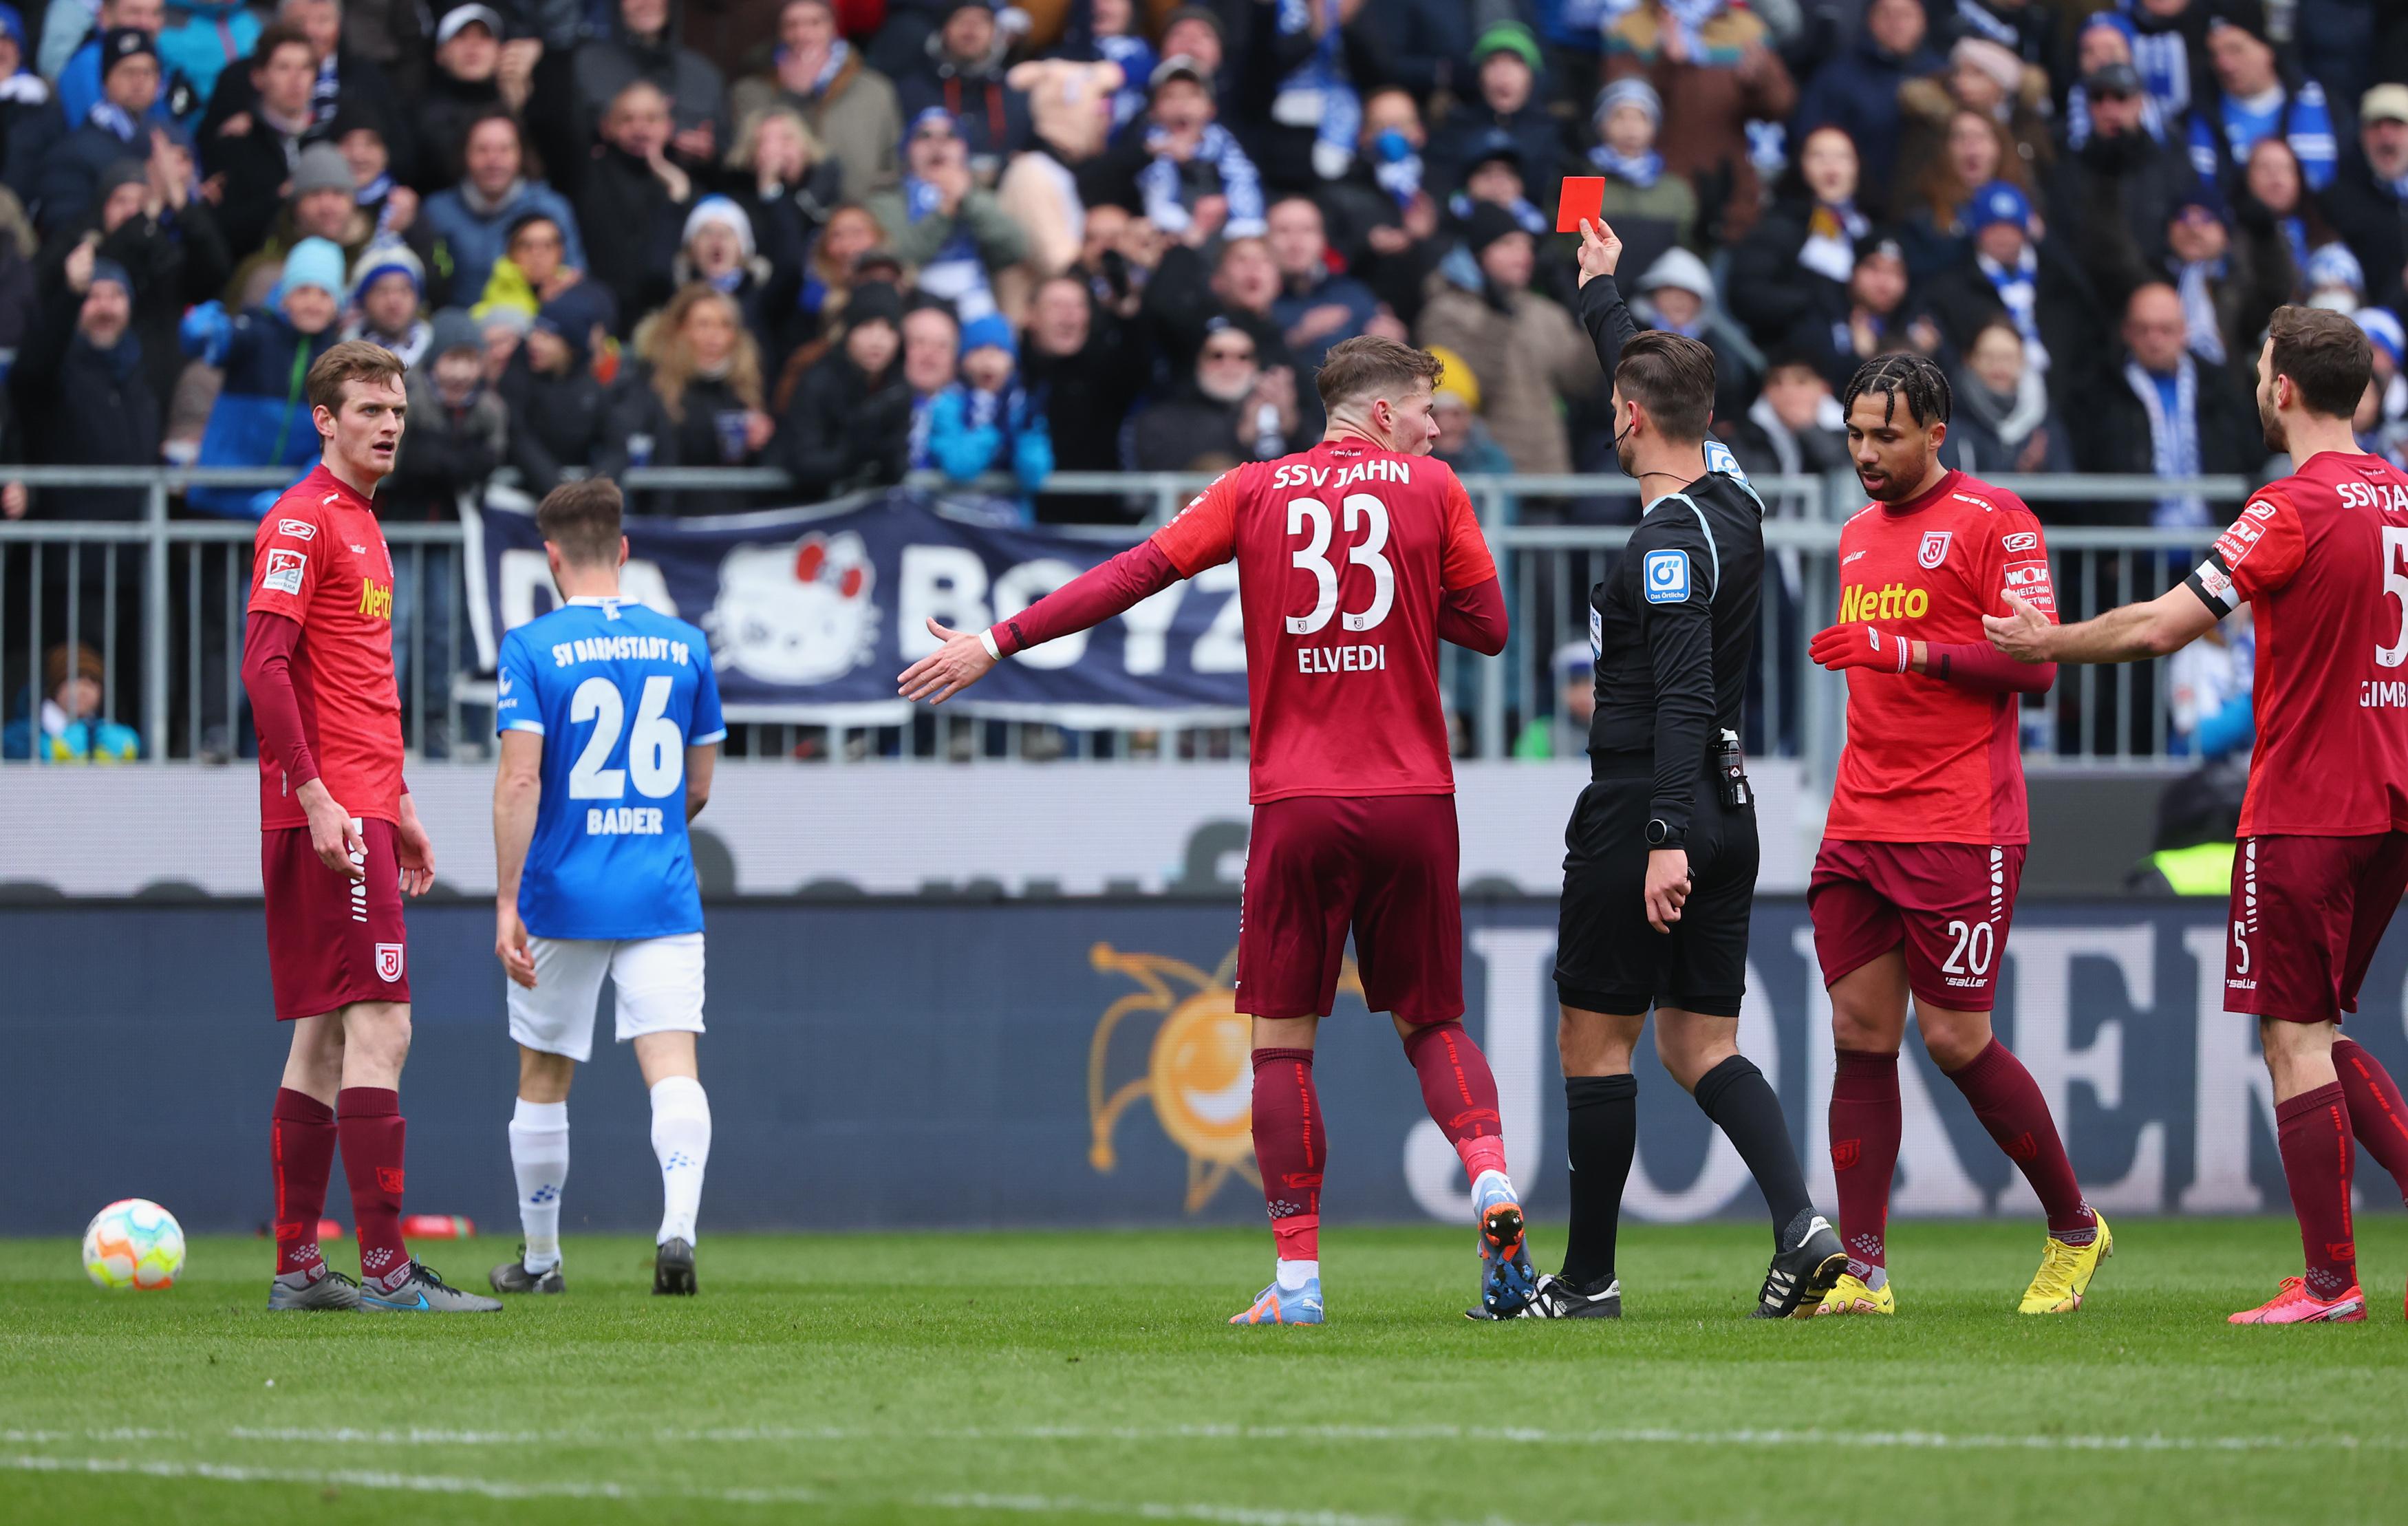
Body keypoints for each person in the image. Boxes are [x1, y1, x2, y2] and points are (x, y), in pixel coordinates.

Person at [896, 334, 1528, 1324]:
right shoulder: (1436, 490)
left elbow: (1133, 574)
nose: (1435, 427)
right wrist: (1399, 607)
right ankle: (1490, 1177)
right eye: (1422, 409)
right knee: (1434, 1022)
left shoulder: (1251, 490)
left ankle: (1298, 1283)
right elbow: (1490, 627)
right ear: (1376, 414)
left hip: (1298, 803)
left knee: (1282, 1048)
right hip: (1414, 799)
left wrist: (999, 639)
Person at [1984, 305, 2408, 1325]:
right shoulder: (2401, 495)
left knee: (2292, 1038)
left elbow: (2159, 628)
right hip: (2391, 797)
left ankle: (2329, 1284)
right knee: (2323, 1028)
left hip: (2308, 803)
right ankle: (2332, 1275)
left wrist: (2048, 642)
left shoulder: (2288, 505)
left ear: (2285, 390)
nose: (2257, 386)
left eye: (2262, 371)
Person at [1531, 216, 1834, 1323]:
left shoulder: (1665, 538)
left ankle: (1590, 1279)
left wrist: (1660, 831)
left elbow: (1682, 691)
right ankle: (1801, 1224)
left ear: (1625, 418)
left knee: (1593, 1036)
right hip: (1731, 799)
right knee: (1699, 1041)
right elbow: (1661, 385)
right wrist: (1603, 292)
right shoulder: (1737, 491)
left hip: (1648, 800)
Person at [1803, 350, 2104, 1319]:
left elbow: (2038, 667)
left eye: (1884, 436)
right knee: (1859, 1031)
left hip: (1960, 823)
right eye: (1854, 435)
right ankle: (1865, 1271)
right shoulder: (1853, 534)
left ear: (1935, 430)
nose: (1865, 454)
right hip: (1859, 817)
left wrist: (1906, 647)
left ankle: (2073, 1226)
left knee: (1956, 1037)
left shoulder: (1995, 520)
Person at [241, 340, 499, 1315]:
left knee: (321, 1034)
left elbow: (355, 687)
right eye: (367, 409)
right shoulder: (304, 522)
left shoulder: (364, 522)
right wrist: (317, 797)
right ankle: (390, 1270)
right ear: (324, 419)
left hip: (361, 805)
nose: (388, 424)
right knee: (382, 1025)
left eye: (395, 409)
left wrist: (401, 806)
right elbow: (265, 668)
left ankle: (301, 1266)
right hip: (330, 811)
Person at [489, 477, 724, 1297]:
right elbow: (697, 786)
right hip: (660, 888)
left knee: (545, 1073)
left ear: (552, 557)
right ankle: (678, 1228)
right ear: (623, 550)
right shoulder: (686, 644)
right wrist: (645, 829)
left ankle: (543, 1260)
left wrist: (506, 898)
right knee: (672, 1066)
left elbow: (520, 785)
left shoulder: (531, 647)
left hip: (562, 890)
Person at [597, 283, 773, 516]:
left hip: (736, 521)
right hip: (670, 520)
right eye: (703, 325)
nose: (715, 336)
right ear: (679, 331)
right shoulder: (651, 384)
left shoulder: (746, 387)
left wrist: (765, 440)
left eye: (725, 325)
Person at [731, 0, 902, 200]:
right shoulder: (751, 92)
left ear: (834, 28)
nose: (802, 34)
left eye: (815, 23)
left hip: (857, 215)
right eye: (791, 25)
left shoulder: (874, 90)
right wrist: (794, 95)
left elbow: (893, 164)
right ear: (779, 32)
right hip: (782, 215)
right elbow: (740, 162)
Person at [421, 111, 587, 318]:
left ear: (521, 154)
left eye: (504, 149)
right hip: (462, 333)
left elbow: (574, 276)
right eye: (482, 150)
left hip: (537, 329)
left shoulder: (551, 208)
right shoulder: (438, 210)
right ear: (464, 154)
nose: (493, 160)